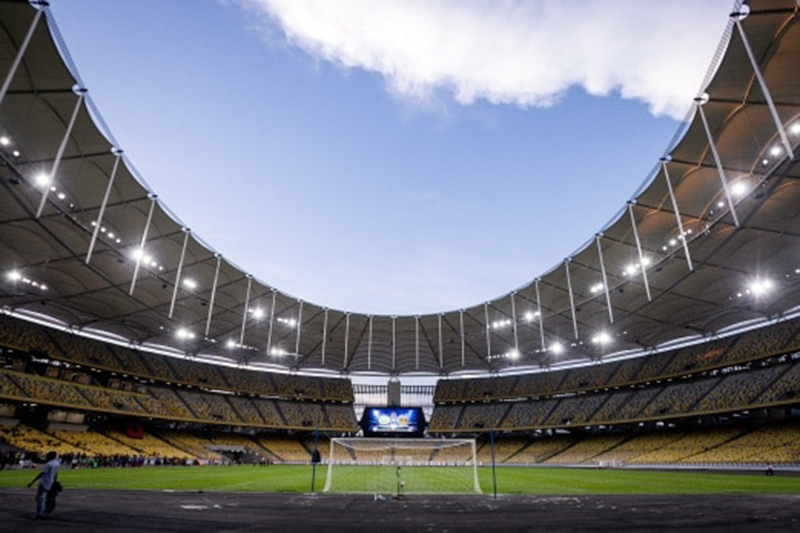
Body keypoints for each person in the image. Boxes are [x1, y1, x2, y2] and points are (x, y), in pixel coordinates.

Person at [27, 451, 60, 519]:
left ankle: (40, 513)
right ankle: (43, 509)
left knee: (40, 498)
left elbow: (42, 474)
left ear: (51, 456)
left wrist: (32, 482)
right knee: (41, 497)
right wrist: (54, 481)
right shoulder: (57, 463)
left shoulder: (48, 464)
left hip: (45, 482)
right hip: (50, 482)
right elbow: (56, 474)